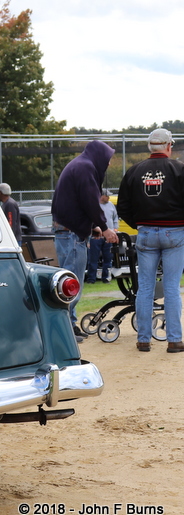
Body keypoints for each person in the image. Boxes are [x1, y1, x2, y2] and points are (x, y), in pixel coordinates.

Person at [117, 128, 184, 353]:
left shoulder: (134, 171)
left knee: (145, 287)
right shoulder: (179, 169)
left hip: (145, 233)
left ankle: (143, 340)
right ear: (168, 146)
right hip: (174, 232)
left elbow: (123, 207)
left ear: (149, 147)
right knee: (172, 287)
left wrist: (140, 225)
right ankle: (174, 340)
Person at [51, 140, 118, 343]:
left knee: (70, 284)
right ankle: (64, 330)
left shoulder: (80, 165)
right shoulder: (85, 167)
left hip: (69, 233)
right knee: (69, 286)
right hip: (71, 236)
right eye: (107, 160)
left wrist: (92, 228)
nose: (107, 164)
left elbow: (77, 203)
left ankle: (70, 325)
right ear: (99, 156)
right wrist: (105, 229)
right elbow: (90, 202)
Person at [85, 189, 119, 283]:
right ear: (102, 196)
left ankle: (106, 277)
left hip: (108, 237)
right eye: (107, 196)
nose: (108, 197)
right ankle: (91, 279)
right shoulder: (95, 206)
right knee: (93, 258)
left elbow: (115, 217)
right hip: (96, 236)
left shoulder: (111, 205)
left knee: (108, 258)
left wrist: (115, 229)